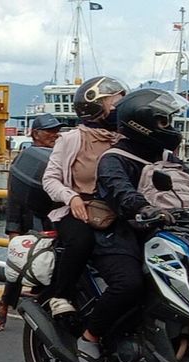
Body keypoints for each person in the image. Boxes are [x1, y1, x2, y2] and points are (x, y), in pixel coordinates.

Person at [77, 88, 189, 362]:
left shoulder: (168, 157)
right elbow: (120, 191)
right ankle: (90, 338)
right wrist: (145, 209)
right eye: (163, 122)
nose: (169, 128)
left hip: (169, 233)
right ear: (140, 123)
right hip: (120, 235)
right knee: (129, 284)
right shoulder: (115, 157)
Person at [42, 76, 127, 318]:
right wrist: (71, 198)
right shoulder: (71, 139)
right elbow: (50, 179)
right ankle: (61, 295)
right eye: (114, 102)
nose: (118, 107)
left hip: (116, 210)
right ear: (95, 105)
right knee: (81, 241)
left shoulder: (123, 141)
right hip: (79, 208)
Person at [0, 113, 62, 331]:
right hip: (30, 222)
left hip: (54, 220)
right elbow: (14, 197)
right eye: (49, 131)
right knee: (17, 270)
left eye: (56, 131)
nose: (54, 135)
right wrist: (13, 230)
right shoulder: (25, 159)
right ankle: (4, 304)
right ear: (35, 134)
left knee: (50, 267)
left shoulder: (59, 156)